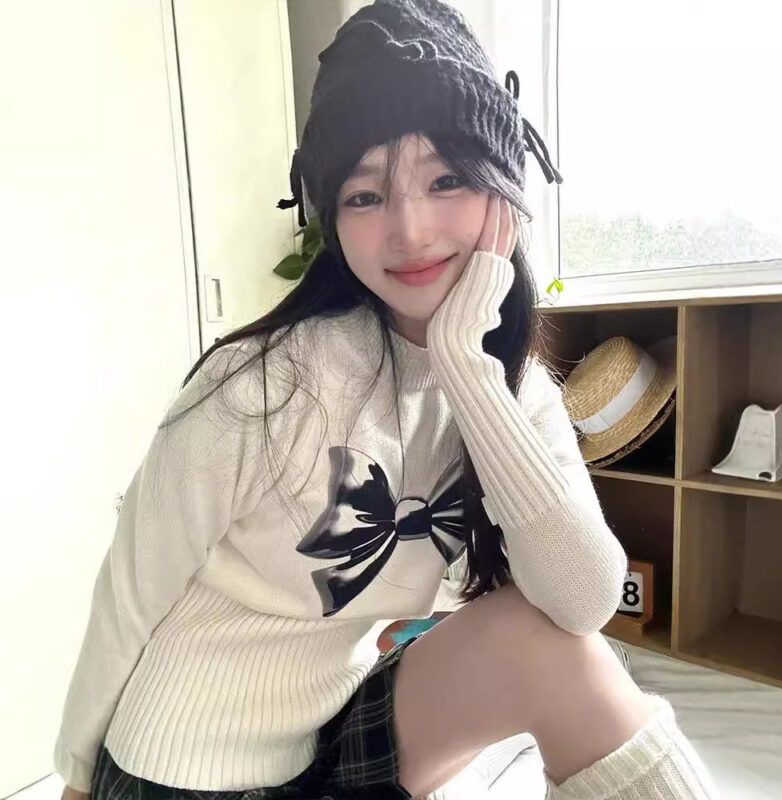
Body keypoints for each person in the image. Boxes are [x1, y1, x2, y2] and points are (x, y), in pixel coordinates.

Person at [56, 1, 717, 798]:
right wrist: (76, 778)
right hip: (183, 767)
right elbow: (128, 597)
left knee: (559, 651)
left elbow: (583, 602)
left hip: (332, 728)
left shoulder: (510, 389)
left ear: (505, 196)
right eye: (365, 196)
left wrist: (467, 370)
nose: (410, 228)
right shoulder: (262, 384)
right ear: (332, 220)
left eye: (446, 179)